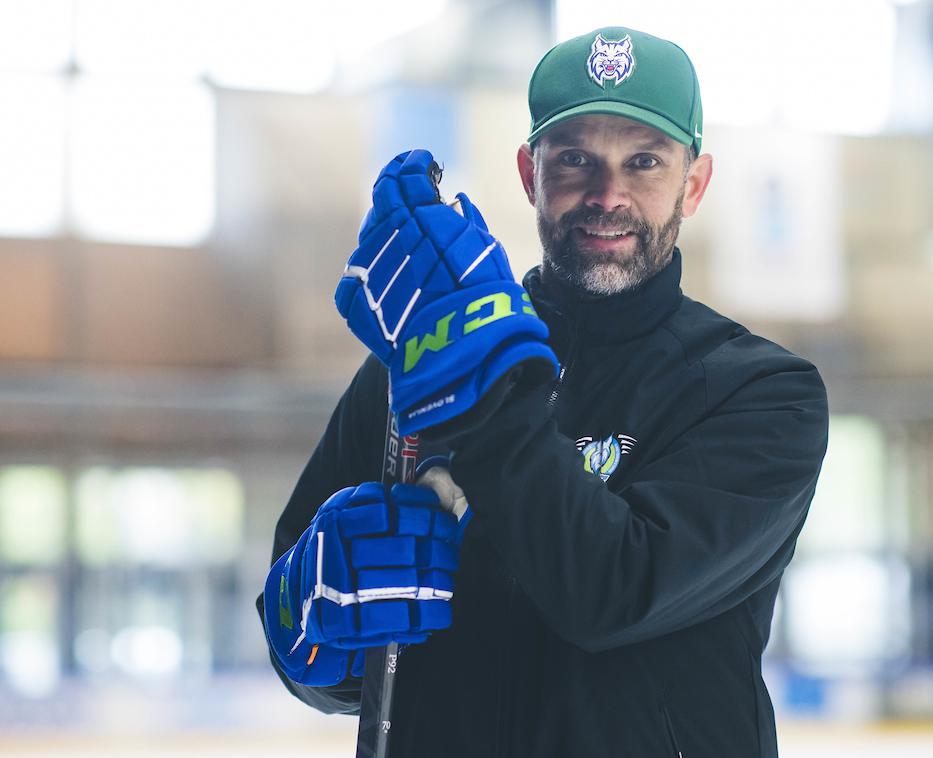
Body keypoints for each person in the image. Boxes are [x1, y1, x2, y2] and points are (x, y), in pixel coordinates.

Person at [257, 26, 828, 758]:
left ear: (694, 182)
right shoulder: (415, 367)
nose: (607, 194)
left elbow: (612, 592)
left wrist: (479, 378)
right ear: (530, 173)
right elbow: (301, 629)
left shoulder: (762, 393)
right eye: (576, 159)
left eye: (644, 162)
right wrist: (320, 638)